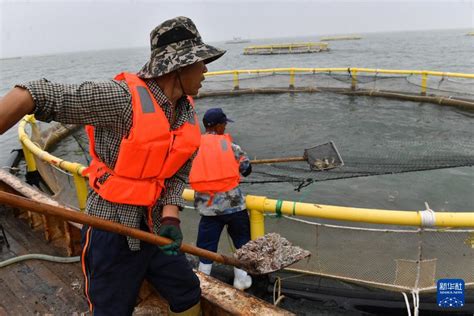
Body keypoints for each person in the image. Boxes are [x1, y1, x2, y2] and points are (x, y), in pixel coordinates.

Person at [0, 16, 225, 316]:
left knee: (187, 291)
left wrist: (170, 218)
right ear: (179, 67)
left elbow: (177, 173)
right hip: (112, 229)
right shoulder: (122, 100)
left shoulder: (185, 113)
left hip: (155, 227)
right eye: (200, 62)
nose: (206, 70)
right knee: (110, 309)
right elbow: (34, 94)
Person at [189, 108, 253, 290]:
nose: (225, 126)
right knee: (241, 241)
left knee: (206, 246)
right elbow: (246, 169)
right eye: (224, 123)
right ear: (217, 126)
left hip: (208, 209)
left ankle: (203, 280)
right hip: (234, 207)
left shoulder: (194, 147)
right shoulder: (232, 147)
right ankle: (241, 280)